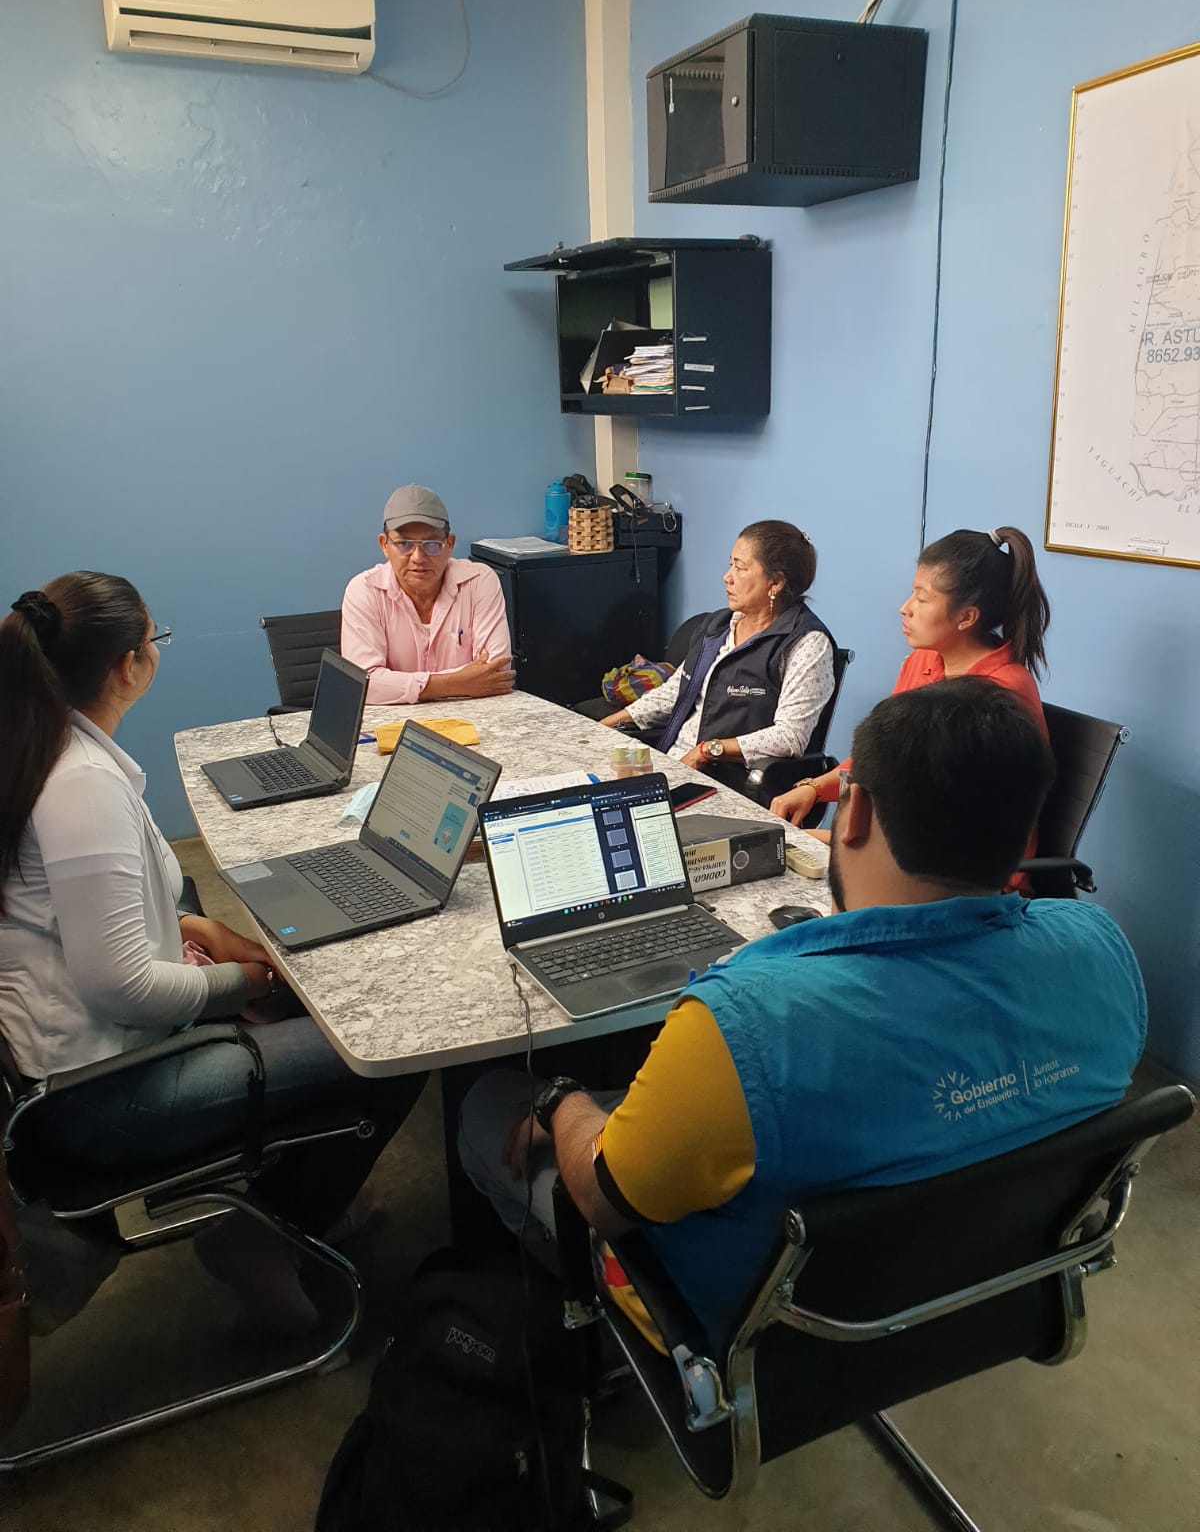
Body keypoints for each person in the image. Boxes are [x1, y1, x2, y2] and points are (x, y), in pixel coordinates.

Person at [458, 679, 1146, 1349]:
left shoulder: (742, 1021)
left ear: (855, 811)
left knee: (489, 1103)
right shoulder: (1102, 951)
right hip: (981, 1295)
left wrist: (560, 1100)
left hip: (760, 1336)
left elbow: (600, 1198)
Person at [0, 573, 426, 1334]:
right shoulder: (81, 788)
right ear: (127, 666)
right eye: (155, 639)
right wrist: (240, 983)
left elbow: (103, 915)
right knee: (391, 1047)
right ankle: (262, 1237)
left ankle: (315, 1192)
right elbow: (121, 984)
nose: (157, 652)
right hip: (101, 1096)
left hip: (90, 1058)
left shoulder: (45, 747)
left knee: (300, 990)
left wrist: (201, 934)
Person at [770, 523, 1051, 827]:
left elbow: (955, 821)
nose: (905, 608)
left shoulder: (1003, 691)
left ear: (967, 617)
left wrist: (833, 842)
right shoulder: (923, 660)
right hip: (904, 838)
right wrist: (814, 789)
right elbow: (884, 757)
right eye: (912, 592)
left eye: (922, 598)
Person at [599, 520, 835, 777]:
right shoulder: (718, 626)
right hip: (674, 765)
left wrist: (707, 751)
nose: (727, 577)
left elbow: (790, 737)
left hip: (727, 779)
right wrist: (601, 727)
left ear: (775, 583)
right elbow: (674, 693)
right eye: (730, 564)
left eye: (740, 568)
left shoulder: (807, 644)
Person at [341, 484, 515, 705]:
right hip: (394, 723)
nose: (418, 557)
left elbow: (496, 674)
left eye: (431, 544)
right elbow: (363, 685)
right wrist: (455, 684)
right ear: (384, 545)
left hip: (471, 719)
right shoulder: (364, 590)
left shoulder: (479, 581)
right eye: (404, 544)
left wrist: (396, 686)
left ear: (449, 544)